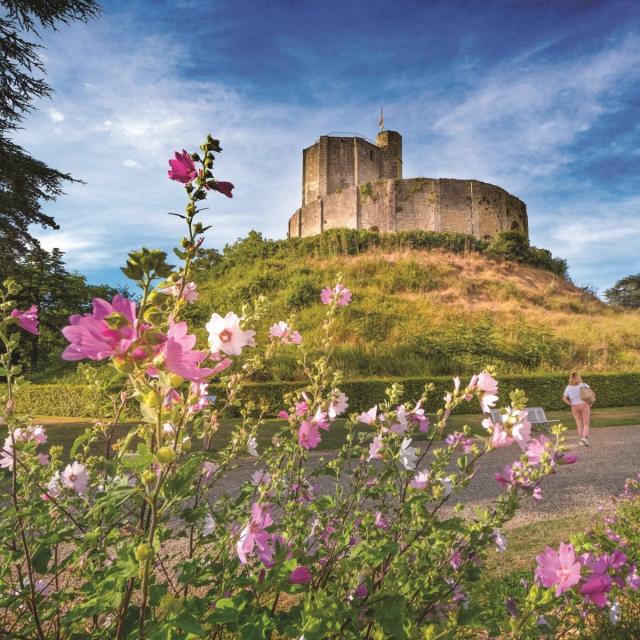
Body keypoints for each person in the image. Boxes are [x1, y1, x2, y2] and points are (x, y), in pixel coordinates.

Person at [562, 372, 593, 447]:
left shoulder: (568, 387)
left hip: (574, 406)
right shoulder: (583, 385)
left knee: (579, 423)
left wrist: (570, 404)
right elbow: (591, 394)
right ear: (579, 377)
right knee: (586, 422)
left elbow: (564, 398)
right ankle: (584, 439)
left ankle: (581, 440)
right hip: (584, 404)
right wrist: (591, 403)